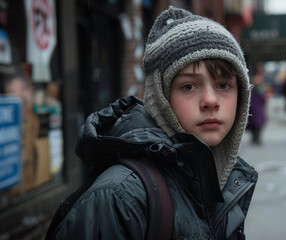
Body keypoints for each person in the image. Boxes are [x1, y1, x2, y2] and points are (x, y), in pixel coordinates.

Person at [49, 6, 258, 240]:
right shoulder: (118, 198)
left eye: (224, 85)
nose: (210, 100)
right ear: (161, 97)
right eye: (188, 86)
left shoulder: (226, 181)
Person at [247, 74, 267, 145]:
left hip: (252, 109)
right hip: (258, 110)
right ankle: (257, 139)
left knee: (254, 126)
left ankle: (254, 139)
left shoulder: (251, 90)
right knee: (258, 126)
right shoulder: (260, 90)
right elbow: (263, 99)